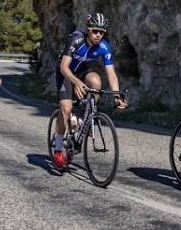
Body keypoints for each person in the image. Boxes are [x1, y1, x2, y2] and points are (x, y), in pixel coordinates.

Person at [52, 12, 128, 170]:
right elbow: (64, 67)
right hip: (65, 73)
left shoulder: (104, 46)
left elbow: (111, 73)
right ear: (88, 30)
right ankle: (58, 148)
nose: (98, 35)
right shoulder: (75, 40)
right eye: (95, 31)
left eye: (102, 32)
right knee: (66, 109)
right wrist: (76, 82)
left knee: (96, 82)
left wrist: (116, 95)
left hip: (82, 72)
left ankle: (84, 119)